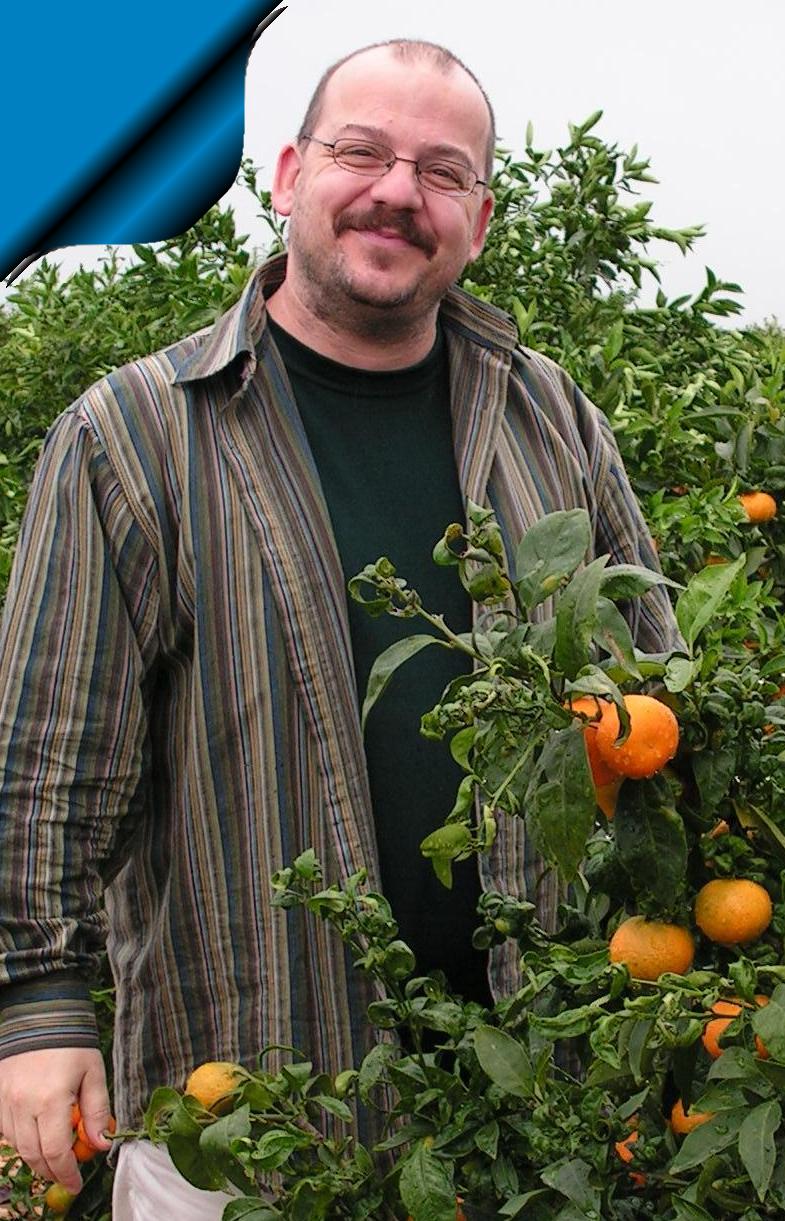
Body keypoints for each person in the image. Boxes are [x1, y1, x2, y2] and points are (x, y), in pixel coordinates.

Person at [0, 38, 679, 1217]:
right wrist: (37, 1006)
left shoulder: (550, 415)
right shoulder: (131, 434)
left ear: (478, 220)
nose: (396, 193)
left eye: (441, 171)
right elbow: (49, 757)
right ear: (287, 174)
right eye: (360, 152)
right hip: (250, 1118)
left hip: (548, 1121)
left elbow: (653, 691)